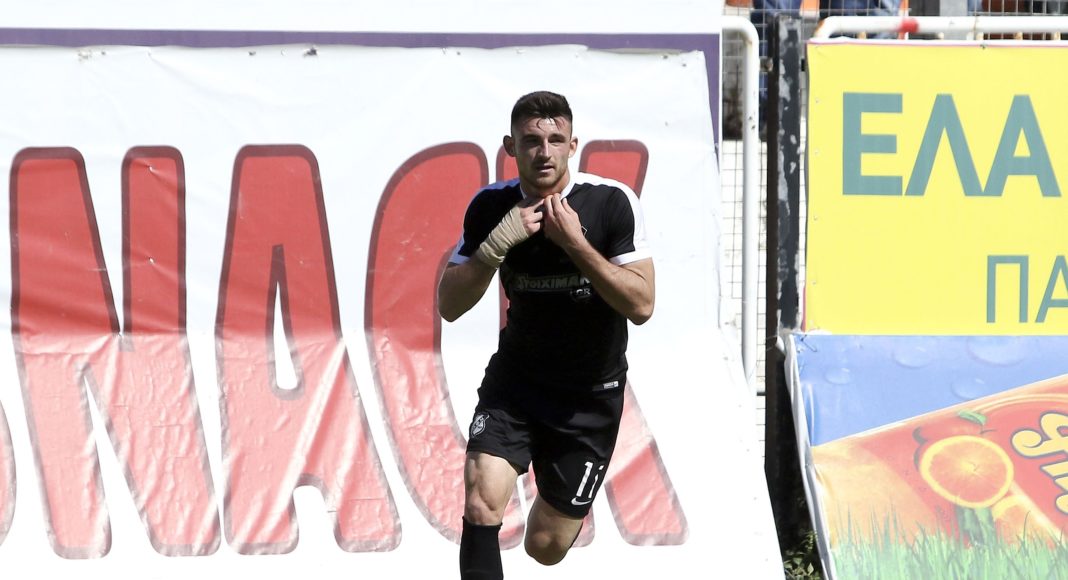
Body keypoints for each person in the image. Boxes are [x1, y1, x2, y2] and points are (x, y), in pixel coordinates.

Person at [437, 90, 655, 579]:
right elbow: (448, 305)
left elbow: (642, 305)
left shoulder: (610, 202)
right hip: (516, 383)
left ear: (573, 146)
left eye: (556, 140)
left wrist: (576, 244)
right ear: (510, 147)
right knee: (481, 498)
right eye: (531, 141)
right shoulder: (491, 206)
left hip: (588, 396)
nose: (544, 152)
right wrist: (495, 246)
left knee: (545, 546)